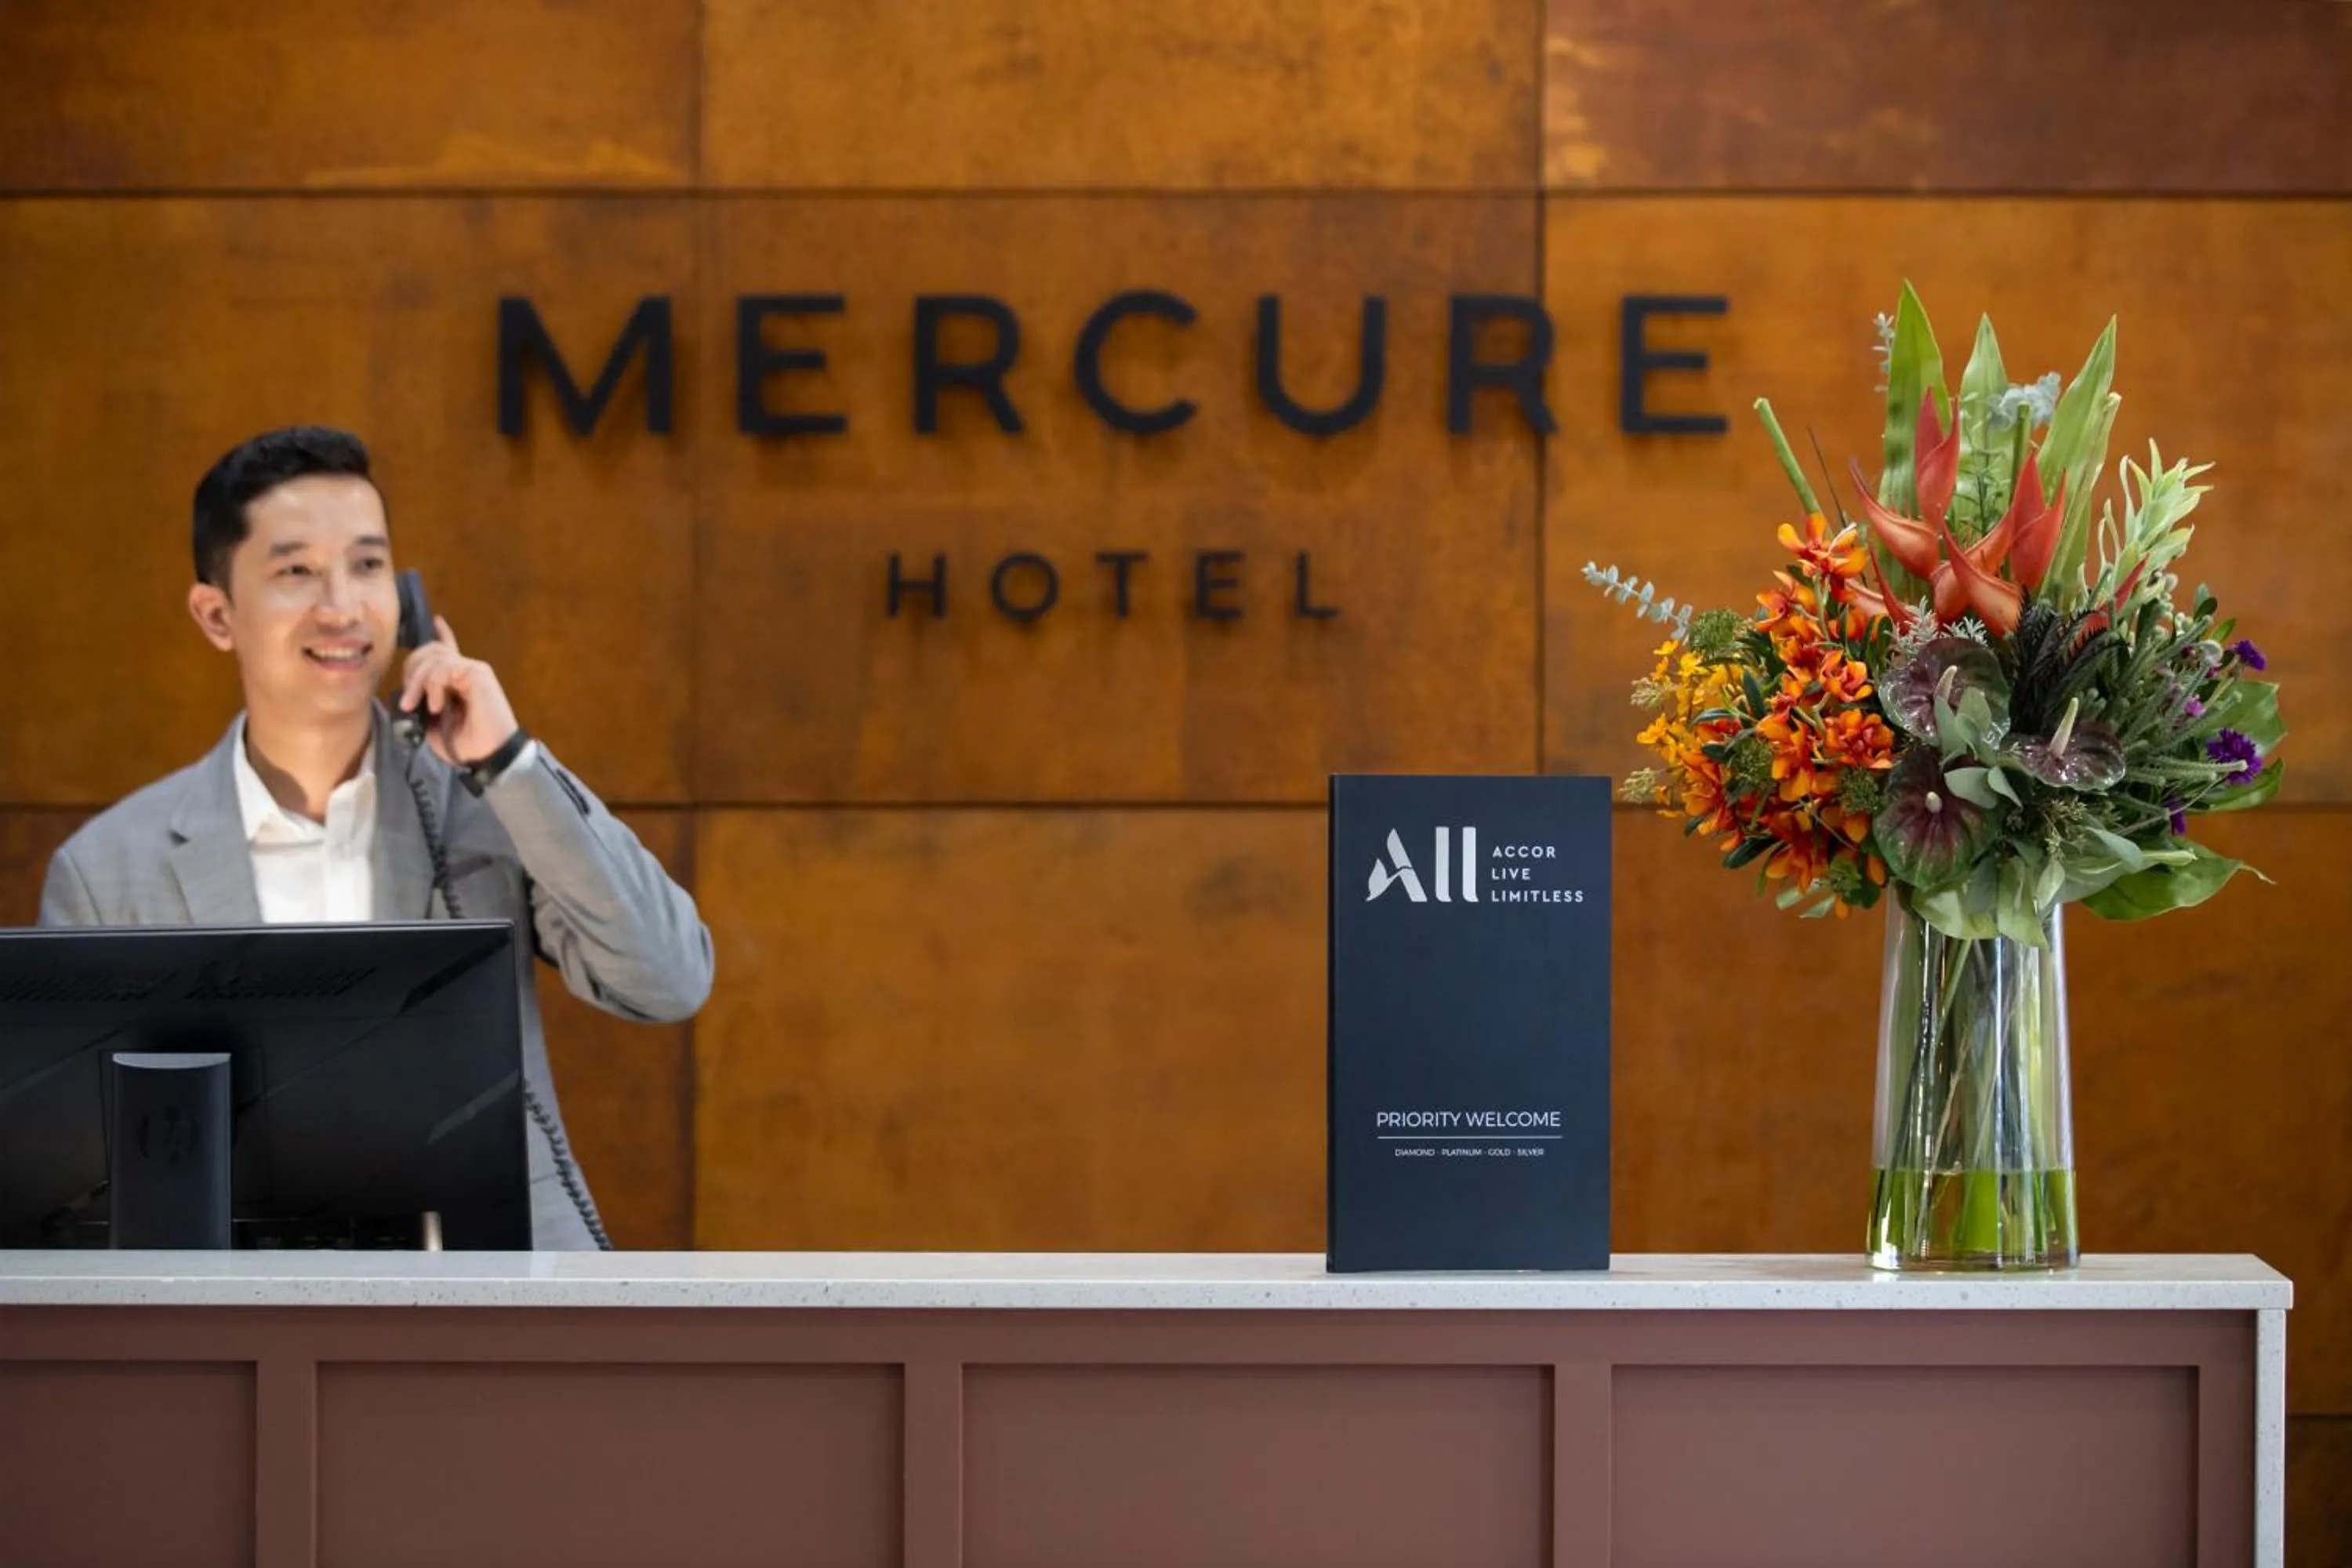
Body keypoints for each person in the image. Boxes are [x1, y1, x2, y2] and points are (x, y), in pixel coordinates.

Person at [38, 426, 713, 1250]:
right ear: (217, 614)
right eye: (296, 571)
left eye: (366, 564)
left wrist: (508, 762)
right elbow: (74, 1178)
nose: (343, 607)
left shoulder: (487, 807)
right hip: (239, 1323)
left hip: (483, 1306)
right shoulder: (111, 868)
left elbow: (668, 978)